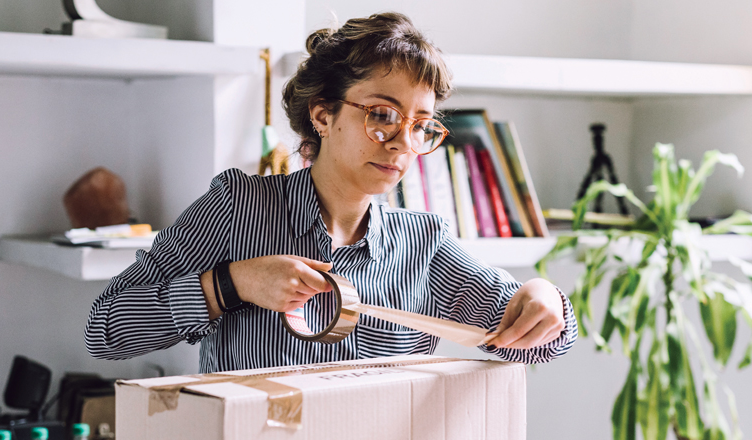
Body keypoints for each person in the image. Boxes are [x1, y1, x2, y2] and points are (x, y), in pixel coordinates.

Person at [85, 12, 576, 374]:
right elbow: (103, 329)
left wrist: (545, 297)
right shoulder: (237, 208)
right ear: (323, 116)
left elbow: (538, 340)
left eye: (421, 126)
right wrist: (231, 285)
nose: (404, 143)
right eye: (382, 115)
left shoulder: (424, 243)